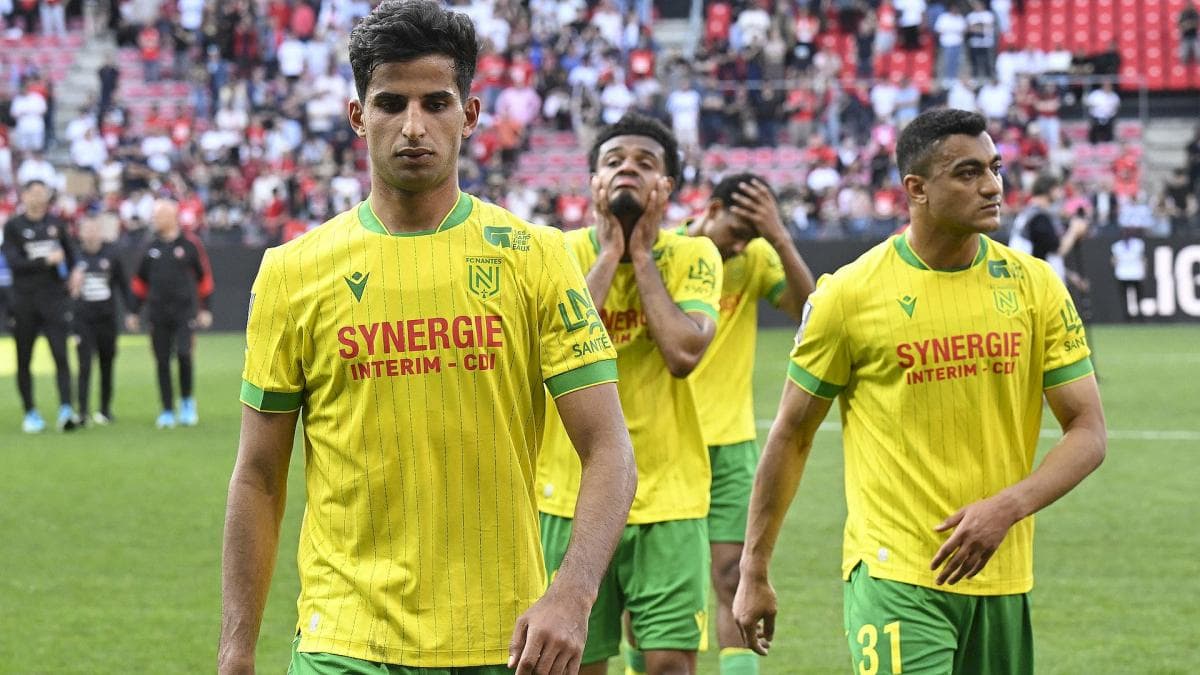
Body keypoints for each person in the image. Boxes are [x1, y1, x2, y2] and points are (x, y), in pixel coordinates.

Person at [218, 3, 638, 674]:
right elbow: (259, 477)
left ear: (469, 114)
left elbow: (609, 447)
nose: (413, 126)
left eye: (435, 102)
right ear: (359, 115)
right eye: (390, 103)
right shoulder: (291, 272)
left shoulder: (537, 256)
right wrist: (236, 650)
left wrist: (573, 592)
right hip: (343, 642)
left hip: (501, 640)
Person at [733, 109, 1107, 672]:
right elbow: (791, 434)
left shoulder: (1036, 286)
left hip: (1002, 575)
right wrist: (753, 571)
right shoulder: (850, 295)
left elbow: (1089, 431)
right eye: (967, 172)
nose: (992, 185)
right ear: (917, 189)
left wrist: (1008, 507)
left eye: (995, 168)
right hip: (894, 572)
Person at [536, 112, 723, 675]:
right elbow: (563, 344)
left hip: (670, 496)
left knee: (669, 664)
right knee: (572, 663)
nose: (628, 171)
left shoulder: (694, 255)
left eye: (645, 164)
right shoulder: (557, 253)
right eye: (613, 161)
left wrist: (640, 255)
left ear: (668, 187)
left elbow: (683, 352)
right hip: (568, 499)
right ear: (593, 181)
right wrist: (609, 253)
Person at [662, 172, 816, 675]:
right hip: (665, 444)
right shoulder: (668, 253)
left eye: (752, 235)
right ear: (711, 208)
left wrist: (779, 238)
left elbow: (808, 312)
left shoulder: (753, 257)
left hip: (730, 447)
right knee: (655, 589)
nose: (740, 243)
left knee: (732, 577)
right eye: (737, 230)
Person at [2, 180, 81, 433]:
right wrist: (45, 260)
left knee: (61, 354)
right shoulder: (14, 226)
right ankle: (30, 412)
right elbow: (15, 263)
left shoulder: (56, 224)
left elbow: (72, 255)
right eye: (33, 193)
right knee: (24, 358)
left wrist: (76, 272)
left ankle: (66, 409)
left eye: (42, 193)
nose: (38, 198)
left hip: (53, 299)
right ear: (24, 196)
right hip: (24, 301)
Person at [128, 198, 214, 428]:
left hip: (184, 311)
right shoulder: (149, 247)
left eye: (159, 215)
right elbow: (139, 283)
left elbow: (204, 278)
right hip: (157, 313)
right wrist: (133, 312)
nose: (155, 220)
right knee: (162, 360)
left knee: (185, 355)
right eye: (154, 216)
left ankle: (187, 401)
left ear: (172, 217)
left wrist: (206, 308)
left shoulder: (189, 244)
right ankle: (167, 409)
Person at [72, 214, 134, 425]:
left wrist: (130, 311)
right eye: (86, 230)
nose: (90, 234)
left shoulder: (111, 255)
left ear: (99, 232)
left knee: (107, 363)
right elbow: (64, 288)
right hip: (83, 320)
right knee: (84, 365)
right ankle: (82, 412)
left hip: (106, 318)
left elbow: (123, 285)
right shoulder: (75, 256)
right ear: (80, 233)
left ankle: (105, 409)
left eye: (93, 229)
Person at [1110, 226, 1147, 321]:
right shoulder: (1117, 246)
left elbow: (1143, 259)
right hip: (1122, 274)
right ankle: (1127, 317)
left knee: (1138, 296)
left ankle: (1140, 316)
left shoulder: (1138, 244)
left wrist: (1144, 271)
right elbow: (1114, 260)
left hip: (1136, 273)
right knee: (1125, 297)